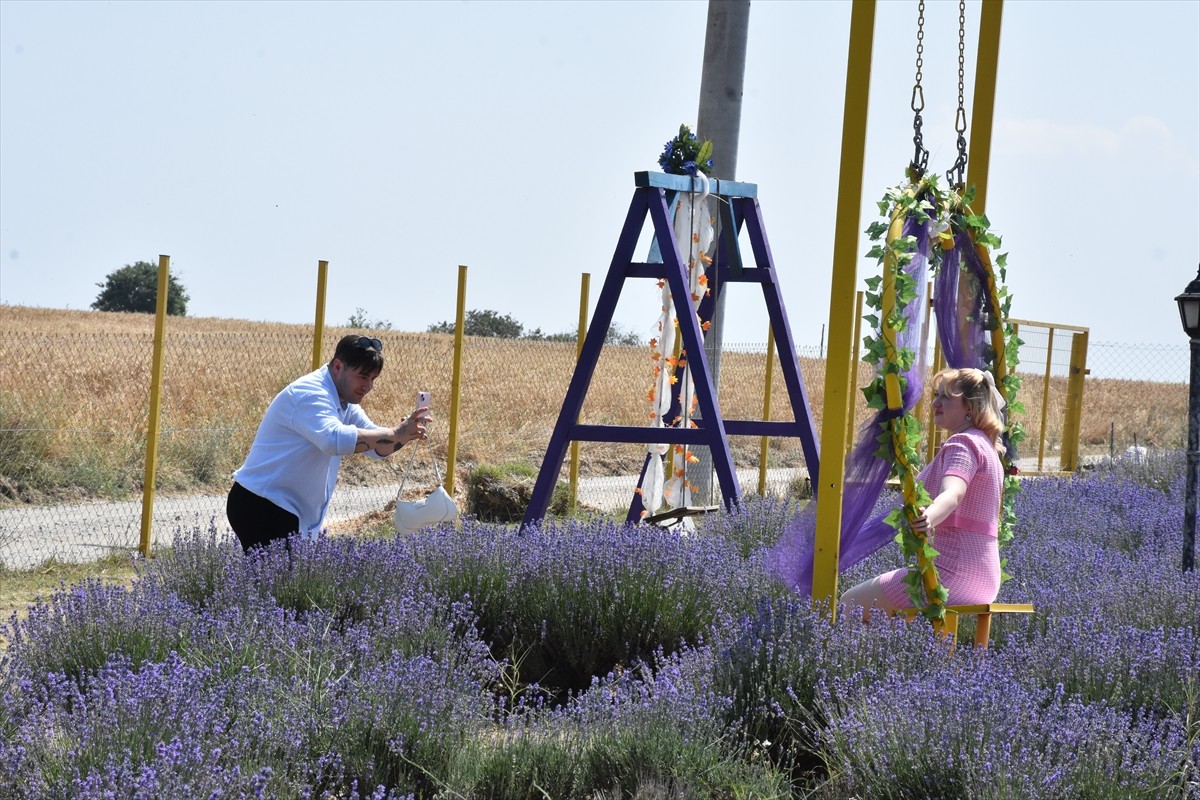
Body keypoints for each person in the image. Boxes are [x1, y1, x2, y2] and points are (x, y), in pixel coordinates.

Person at [226, 334, 430, 552]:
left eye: (373, 378)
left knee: (286, 575)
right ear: (338, 367)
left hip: (285, 509)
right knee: (277, 575)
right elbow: (333, 440)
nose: (368, 386)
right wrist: (395, 433)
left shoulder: (344, 400)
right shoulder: (311, 393)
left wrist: (404, 435)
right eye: (363, 376)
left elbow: (374, 446)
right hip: (263, 505)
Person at [841, 367, 1007, 616]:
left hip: (952, 575)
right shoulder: (987, 446)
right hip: (985, 579)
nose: (935, 403)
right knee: (889, 616)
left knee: (849, 604)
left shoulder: (962, 443)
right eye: (936, 395)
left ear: (969, 407)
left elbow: (953, 493)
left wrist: (929, 516)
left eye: (946, 397)